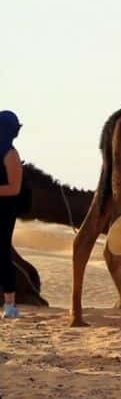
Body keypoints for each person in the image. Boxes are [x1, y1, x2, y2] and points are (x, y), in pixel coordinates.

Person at [0, 111, 23, 319]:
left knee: (2, 254)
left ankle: (10, 305)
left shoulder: (10, 154)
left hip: (4, 211)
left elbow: (14, 188)